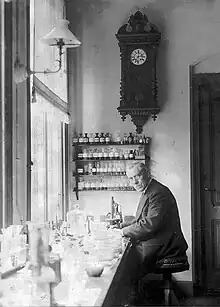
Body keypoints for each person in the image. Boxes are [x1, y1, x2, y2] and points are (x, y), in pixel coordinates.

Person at [117, 161, 188, 304]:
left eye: (137, 176)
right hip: (160, 241)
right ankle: (135, 297)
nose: (134, 181)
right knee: (123, 258)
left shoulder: (158, 193)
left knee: (124, 262)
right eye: (131, 178)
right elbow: (142, 219)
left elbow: (150, 225)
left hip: (167, 245)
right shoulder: (150, 190)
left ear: (147, 174)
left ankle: (133, 300)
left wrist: (122, 232)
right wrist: (120, 226)